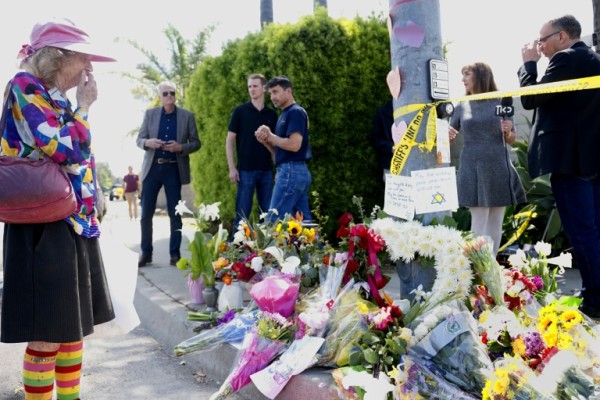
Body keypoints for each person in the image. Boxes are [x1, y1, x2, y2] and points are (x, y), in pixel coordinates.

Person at [0, 18, 115, 400]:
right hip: (41, 222)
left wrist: (94, 198)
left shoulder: (52, 96)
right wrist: (84, 106)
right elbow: (66, 148)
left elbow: (80, 155)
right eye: (83, 57)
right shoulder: (24, 86)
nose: (89, 67)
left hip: (70, 219)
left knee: (70, 328)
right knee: (48, 333)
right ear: (57, 57)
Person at [518, 15, 600, 319]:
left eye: (543, 39)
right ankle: (594, 292)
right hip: (592, 161)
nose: (539, 46)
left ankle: (595, 299)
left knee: (582, 232)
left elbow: (531, 98)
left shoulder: (566, 59)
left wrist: (529, 65)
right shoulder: (594, 60)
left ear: (562, 36)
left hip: (571, 162)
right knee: (593, 231)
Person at [449, 62, 526, 255]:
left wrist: (508, 131)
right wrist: (446, 134)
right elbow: (449, 135)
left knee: (496, 221)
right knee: (479, 220)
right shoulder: (461, 105)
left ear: (481, 76)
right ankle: (476, 267)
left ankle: (490, 266)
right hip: (472, 167)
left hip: (498, 166)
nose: (463, 79)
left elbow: (512, 139)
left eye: (467, 74)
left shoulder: (502, 101)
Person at [136, 81, 201, 267]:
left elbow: (196, 143)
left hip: (173, 169)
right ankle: (146, 253)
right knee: (146, 214)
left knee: (175, 214)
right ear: (160, 96)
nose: (169, 96)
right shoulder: (150, 114)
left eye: (172, 93)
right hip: (152, 169)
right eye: (165, 93)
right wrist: (148, 143)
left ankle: (175, 255)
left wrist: (180, 147)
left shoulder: (187, 116)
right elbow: (139, 139)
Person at [255, 75, 312, 222]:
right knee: (303, 225)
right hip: (292, 171)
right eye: (270, 93)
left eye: (276, 92)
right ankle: (315, 240)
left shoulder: (295, 112)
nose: (272, 97)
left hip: (291, 172)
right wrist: (267, 142)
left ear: (289, 91)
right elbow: (280, 154)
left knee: (273, 221)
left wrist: (270, 135)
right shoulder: (284, 115)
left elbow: (294, 145)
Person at [225, 73, 277, 230]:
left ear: (264, 88)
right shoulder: (240, 111)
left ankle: (267, 246)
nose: (252, 89)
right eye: (249, 86)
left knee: (268, 217)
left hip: (267, 171)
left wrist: (278, 169)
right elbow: (229, 140)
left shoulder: (272, 114)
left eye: (255, 86)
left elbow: (275, 145)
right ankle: (235, 246)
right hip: (245, 171)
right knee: (241, 217)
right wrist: (232, 168)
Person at [370, 100, 395, 182]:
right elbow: (375, 139)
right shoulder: (383, 111)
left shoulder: (419, 110)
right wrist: (391, 147)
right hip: (389, 164)